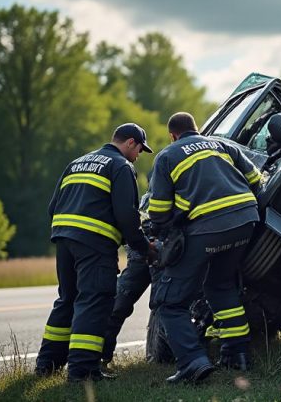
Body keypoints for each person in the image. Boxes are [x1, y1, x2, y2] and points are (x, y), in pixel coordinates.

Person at [148, 112, 263, 384]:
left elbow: (159, 212)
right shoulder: (223, 145)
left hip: (207, 229)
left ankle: (192, 363)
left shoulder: (167, 156)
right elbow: (257, 180)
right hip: (246, 221)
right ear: (197, 129)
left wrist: (167, 228)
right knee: (220, 286)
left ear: (172, 135)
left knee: (169, 302)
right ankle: (237, 355)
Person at [35, 123, 153, 382]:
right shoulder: (120, 166)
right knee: (94, 301)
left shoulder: (78, 162)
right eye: (140, 151)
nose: (138, 156)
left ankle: (47, 365)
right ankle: (83, 370)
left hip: (65, 239)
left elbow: (53, 206)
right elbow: (126, 214)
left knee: (67, 299)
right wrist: (144, 247)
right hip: (95, 245)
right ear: (131, 142)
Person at [102, 192, 173, 367]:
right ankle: (163, 357)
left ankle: (96, 356)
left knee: (120, 301)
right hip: (159, 246)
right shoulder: (182, 183)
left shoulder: (151, 193)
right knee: (164, 302)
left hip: (141, 244)